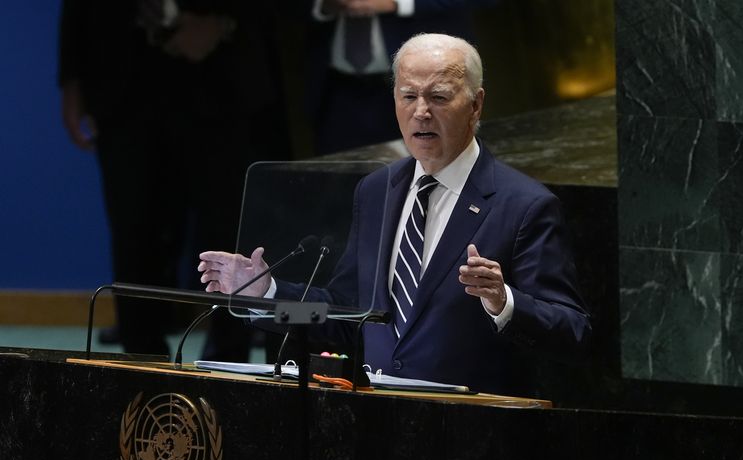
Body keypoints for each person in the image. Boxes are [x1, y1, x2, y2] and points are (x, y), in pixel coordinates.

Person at [198, 33, 591, 396]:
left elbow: (573, 331)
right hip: (380, 423)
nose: (421, 112)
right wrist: (267, 295)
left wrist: (503, 302)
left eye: (438, 97)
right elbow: (345, 315)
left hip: (472, 428)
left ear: (476, 105)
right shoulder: (376, 191)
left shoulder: (524, 205)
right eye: (408, 96)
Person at [59, 0, 291, 360]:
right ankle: (139, 363)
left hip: (221, 77)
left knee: (228, 229)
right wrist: (71, 82)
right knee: (134, 234)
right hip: (123, 81)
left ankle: (229, 360)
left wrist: (223, 21)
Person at [305, 0, 496, 154]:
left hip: (423, 89)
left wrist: (397, 3)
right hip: (337, 90)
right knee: (338, 178)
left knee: (430, 176)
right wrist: (324, 4)